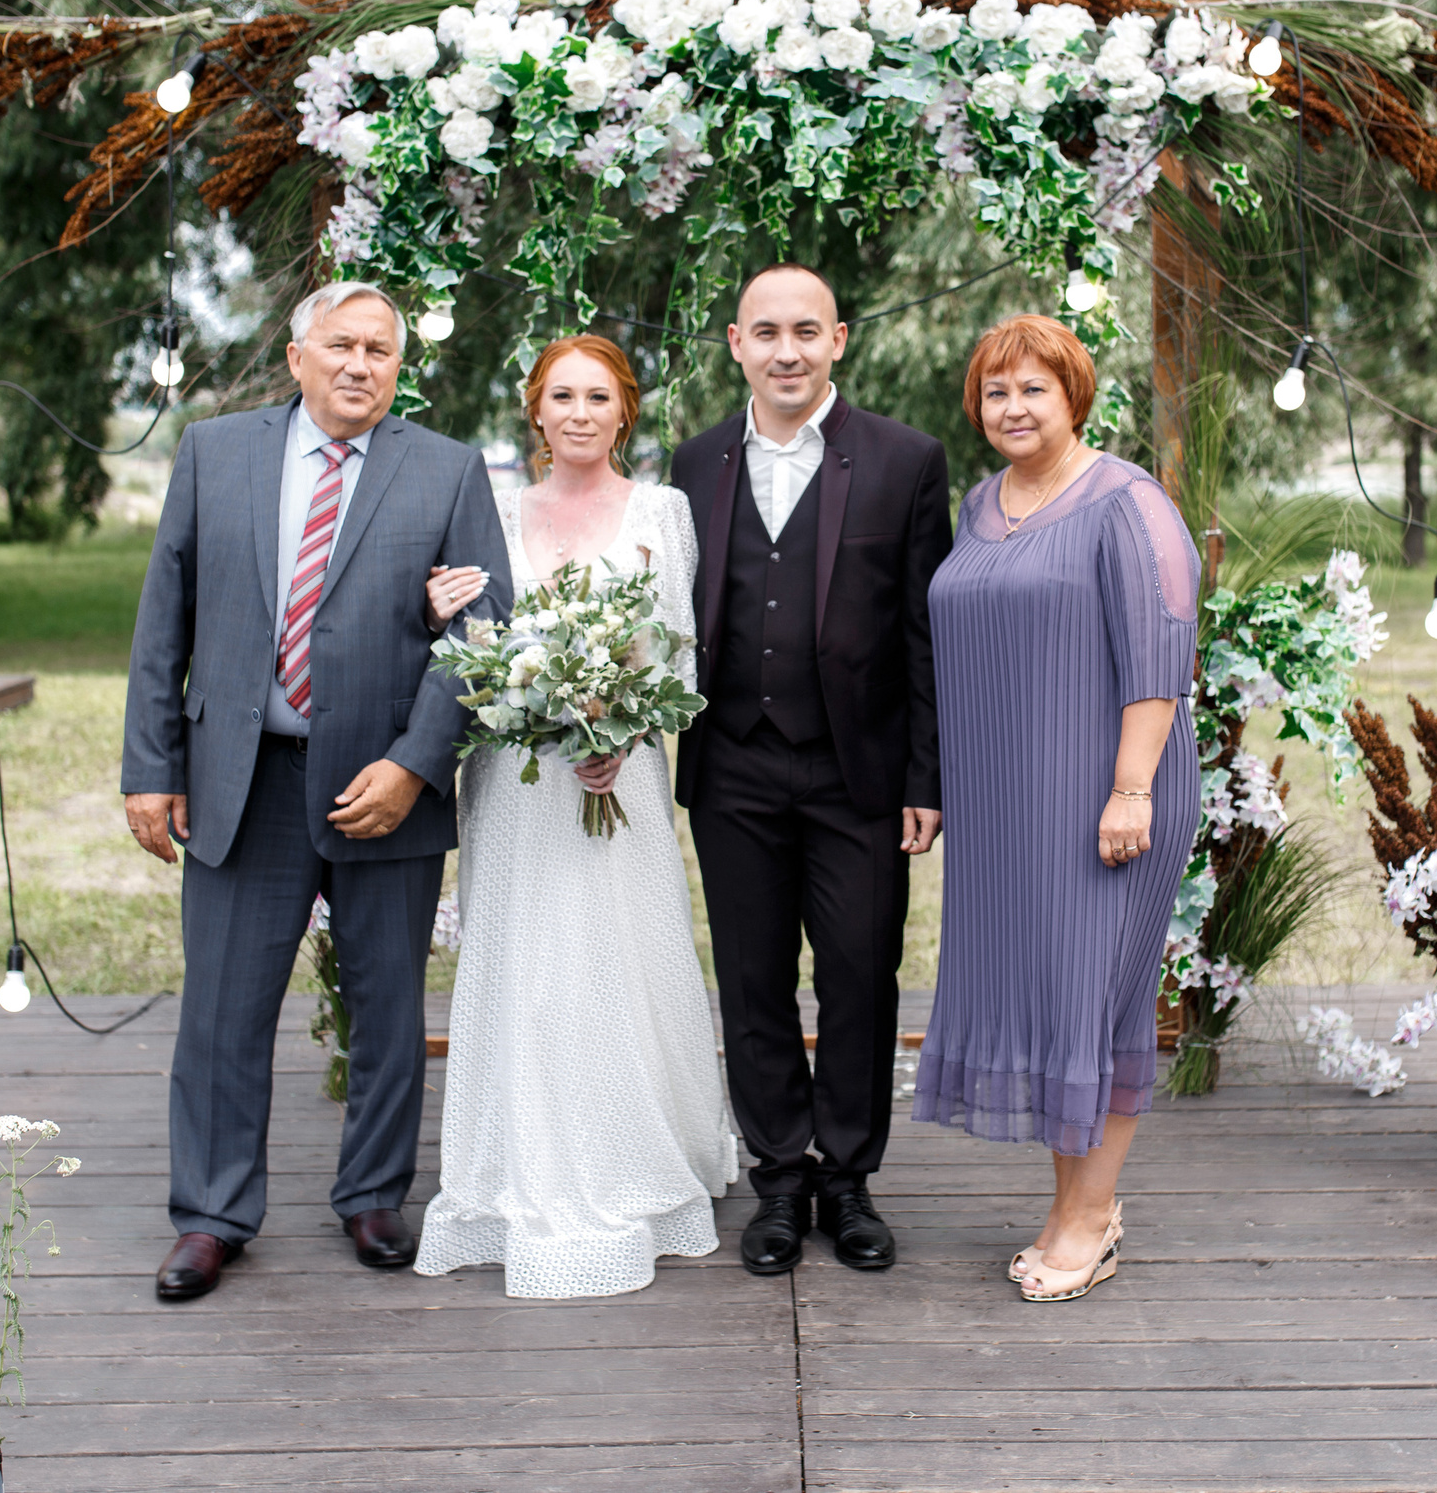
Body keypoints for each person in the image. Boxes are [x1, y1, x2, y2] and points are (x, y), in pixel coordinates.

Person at [120, 281, 513, 1302]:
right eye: (340, 345)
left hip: (384, 783)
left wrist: (416, 763)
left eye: (379, 350)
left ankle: (373, 1197)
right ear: (297, 358)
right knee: (220, 1012)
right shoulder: (215, 454)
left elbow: (482, 630)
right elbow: (166, 619)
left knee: (387, 1009)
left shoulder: (447, 469)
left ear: (396, 367)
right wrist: (152, 770)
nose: (360, 365)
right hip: (239, 784)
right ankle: (211, 1215)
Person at [413, 334, 738, 1298]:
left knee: (621, 956)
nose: (582, 413)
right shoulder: (492, 510)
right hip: (515, 780)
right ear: (536, 410)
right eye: (563, 396)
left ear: (624, 410)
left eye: (601, 396)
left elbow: (679, 656)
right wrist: (440, 608)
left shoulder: (664, 512)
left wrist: (623, 735)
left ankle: (638, 1149)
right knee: (528, 960)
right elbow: (468, 645)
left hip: (618, 780)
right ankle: (521, 1160)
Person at [669, 263, 951, 1276]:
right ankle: (778, 1179)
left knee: (859, 976)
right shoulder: (691, 463)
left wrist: (927, 777)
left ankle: (848, 1177)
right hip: (734, 762)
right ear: (736, 344)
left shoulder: (905, 461)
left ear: (838, 340)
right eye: (764, 332)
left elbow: (924, 632)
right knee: (751, 981)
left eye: (805, 331)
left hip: (858, 772)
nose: (785, 350)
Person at [912, 313, 1200, 1303]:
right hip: (1006, 810)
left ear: (1073, 394)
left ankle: (1087, 1219)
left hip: (1105, 798)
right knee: (1050, 1003)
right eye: (996, 391)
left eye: (1033, 387)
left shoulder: (1127, 503)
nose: (1012, 406)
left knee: (1099, 1000)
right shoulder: (980, 504)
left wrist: (1130, 790)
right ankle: (1077, 1205)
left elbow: (1160, 655)